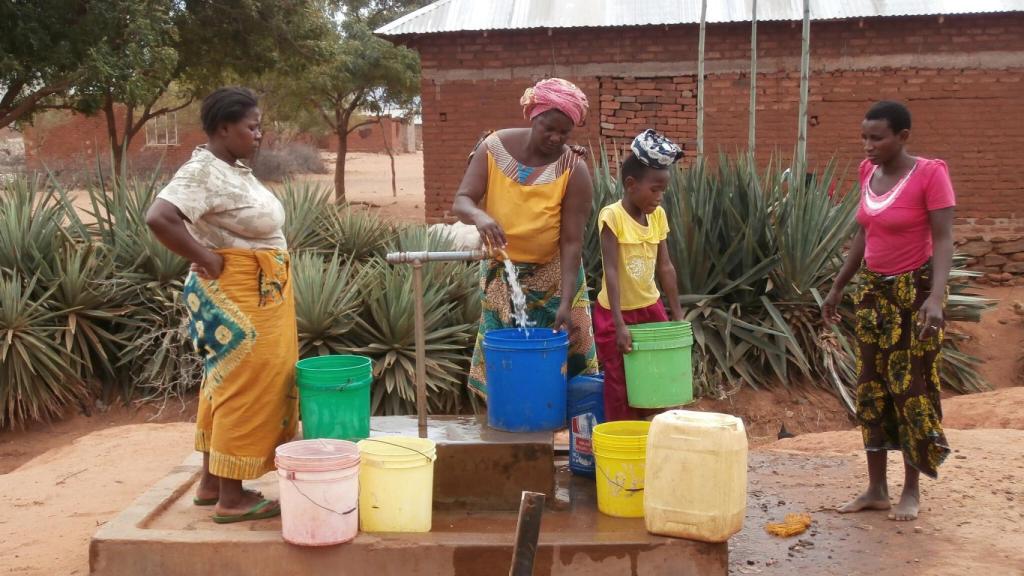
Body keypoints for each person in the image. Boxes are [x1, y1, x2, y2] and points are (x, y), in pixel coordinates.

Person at [146, 87, 298, 524]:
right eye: (251, 126)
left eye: (259, 125)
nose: (259, 133)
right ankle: (232, 498)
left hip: (257, 289)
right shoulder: (204, 171)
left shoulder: (233, 169)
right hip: (239, 293)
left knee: (227, 381)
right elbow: (159, 216)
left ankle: (213, 483)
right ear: (224, 128)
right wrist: (206, 256)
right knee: (247, 385)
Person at [822, 100, 955, 521]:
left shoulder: (931, 175)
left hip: (913, 296)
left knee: (910, 389)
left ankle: (911, 490)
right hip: (873, 297)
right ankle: (876, 488)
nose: (868, 145)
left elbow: (945, 238)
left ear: (903, 136)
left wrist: (935, 296)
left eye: (876, 137)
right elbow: (864, 234)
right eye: (864, 137)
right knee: (872, 388)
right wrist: (839, 286)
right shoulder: (868, 173)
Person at [452, 77, 600, 398]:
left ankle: (562, 424)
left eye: (565, 133)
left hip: (555, 273)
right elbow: (462, 200)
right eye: (549, 128)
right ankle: (509, 421)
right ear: (533, 116)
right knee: (504, 354)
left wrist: (564, 301)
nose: (556, 137)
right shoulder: (493, 148)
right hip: (501, 271)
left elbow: (573, 241)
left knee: (566, 359)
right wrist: (480, 216)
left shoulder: (573, 169)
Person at [594, 130, 685, 421]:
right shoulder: (612, 217)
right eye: (654, 190)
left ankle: (654, 439)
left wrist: (678, 316)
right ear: (631, 184)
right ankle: (622, 443)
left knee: (658, 377)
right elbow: (611, 271)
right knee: (619, 384)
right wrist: (620, 324)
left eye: (663, 191)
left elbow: (665, 267)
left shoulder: (657, 216)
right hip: (614, 314)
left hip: (650, 308)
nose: (659, 198)